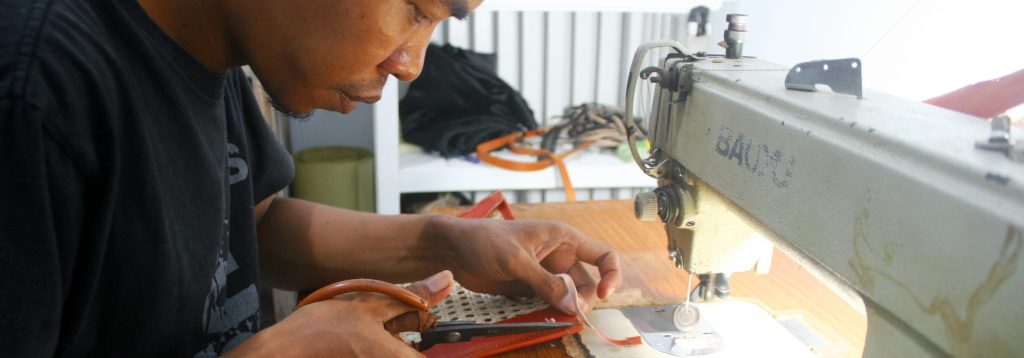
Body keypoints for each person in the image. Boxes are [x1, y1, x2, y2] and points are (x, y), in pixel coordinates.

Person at [0, 0, 622, 356]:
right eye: (413, 9)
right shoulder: (37, 90)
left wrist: (446, 242)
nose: (410, 65)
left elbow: (251, 225)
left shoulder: (208, 51)